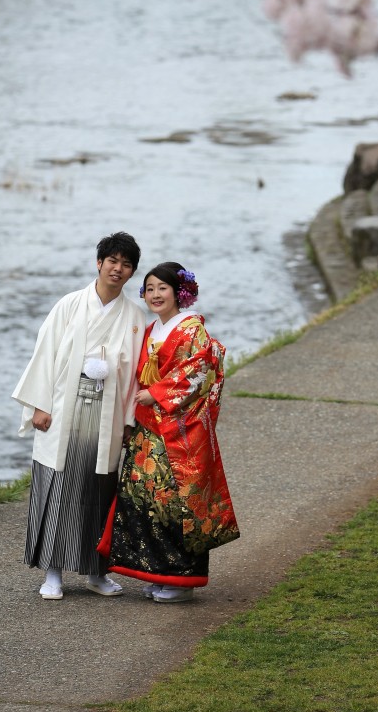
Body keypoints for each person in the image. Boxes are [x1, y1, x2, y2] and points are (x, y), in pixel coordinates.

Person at [12, 232, 146, 600]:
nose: (118, 269)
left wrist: (131, 421)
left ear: (132, 271)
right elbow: (45, 354)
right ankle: (52, 573)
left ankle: (96, 573)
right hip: (64, 407)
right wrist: (40, 404)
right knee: (58, 485)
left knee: (99, 492)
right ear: (99, 263)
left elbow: (138, 373)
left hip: (108, 414)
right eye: (112, 261)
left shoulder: (135, 316)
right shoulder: (70, 306)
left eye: (126, 264)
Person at [99, 261, 239, 603]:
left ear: (180, 292)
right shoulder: (151, 330)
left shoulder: (192, 330)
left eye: (162, 287)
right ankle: (158, 571)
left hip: (179, 432)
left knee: (175, 503)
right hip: (149, 430)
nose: (155, 294)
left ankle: (181, 579)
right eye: (149, 289)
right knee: (145, 500)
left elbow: (201, 370)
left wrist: (158, 394)